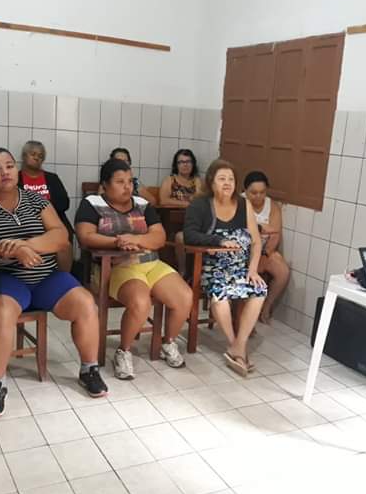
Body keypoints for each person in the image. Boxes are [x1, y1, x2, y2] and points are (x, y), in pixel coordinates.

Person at [0, 148, 107, 418]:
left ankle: (90, 369)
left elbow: (60, 236)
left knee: (86, 303)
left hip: (45, 277)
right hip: (4, 278)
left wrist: (25, 245)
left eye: (9, 165)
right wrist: (10, 251)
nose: (4, 172)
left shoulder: (36, 200)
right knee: (1, 313)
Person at [76, 158, 193, 380]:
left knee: (184, 296)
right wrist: (117, 242)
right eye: (120, 182)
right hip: (116, 266)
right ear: (105, 185)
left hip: (151, 263)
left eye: (130, 181)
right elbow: (86, 236)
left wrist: (135, 240)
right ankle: (123, 351)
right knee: (141, 302)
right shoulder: (92, 203)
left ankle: (168, 342)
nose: (127, 187)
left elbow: (159, 237)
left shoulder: (142, 204)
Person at [183, 159, 267, 377]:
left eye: (231, 179)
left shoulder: (244, 204)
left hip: (240, 270)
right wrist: (218, 241)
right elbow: (189, 235)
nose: (227, 183)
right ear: (211, 182)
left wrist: (253, 270)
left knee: (260, 289)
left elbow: (256, 242)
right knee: (220, 295)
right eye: (222, 179)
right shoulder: (200, 205)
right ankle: (234, 345)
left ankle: (239, 345)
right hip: (211, 269)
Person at [18, 140, 74, 272]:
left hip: (54, 220)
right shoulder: (16, 178)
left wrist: (43, 210)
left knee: (65, 235)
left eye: (41, 156)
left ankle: (63, 276)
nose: (37, 158)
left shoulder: (52, 178)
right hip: (25, 222)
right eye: (33, 154)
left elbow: (64, 203)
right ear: (24, 156)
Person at [243, 171, 289, 323]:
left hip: (264, 250)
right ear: (245, 191)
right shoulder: (239, 203)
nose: (258, 196)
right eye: (254, 193)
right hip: (242, 251)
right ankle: (242, 311)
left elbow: (275, 234)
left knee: (282, 271)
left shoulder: (272, 206)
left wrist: (265, 253)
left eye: (262, 192)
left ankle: (266, 306)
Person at [159, 149, 203, 275]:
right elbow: (163, 200)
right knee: (178, 237)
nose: (185, 165)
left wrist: (186, 203)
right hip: (172, 225)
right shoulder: (170, 180)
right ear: (176, 165)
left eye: (188, 161)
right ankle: (182, 271)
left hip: (194, 222)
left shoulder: (197, 181)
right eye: (181, 162)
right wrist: (187, 204)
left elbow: (200, 201)